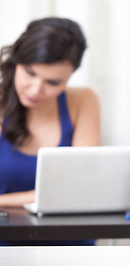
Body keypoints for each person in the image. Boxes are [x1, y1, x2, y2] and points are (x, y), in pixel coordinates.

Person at [0, 17, 100, 245]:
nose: (36, 90)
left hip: (70, 244)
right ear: (16, 61)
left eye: (53, 82)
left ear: (70, 77)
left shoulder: (83, 100)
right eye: (30, 73)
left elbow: (80, 187)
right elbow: (65, 193)